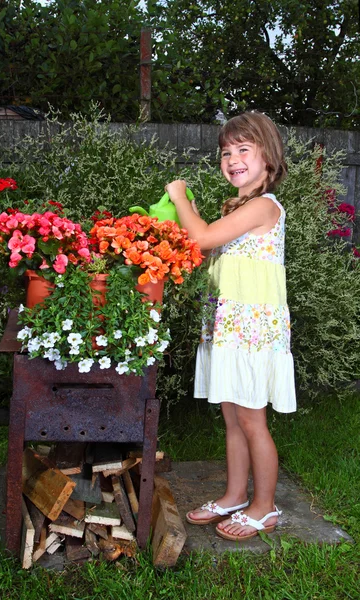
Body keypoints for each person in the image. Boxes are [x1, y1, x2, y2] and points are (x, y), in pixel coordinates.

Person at [165, 111, 296, 541]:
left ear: (268, 158)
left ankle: (265, 507)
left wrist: (180, 197)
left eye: (244, 149)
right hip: (231, 328)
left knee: (253, 420)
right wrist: (195, 217)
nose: (233, 158)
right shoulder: (240, 206)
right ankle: (236, 494)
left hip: (252, 332)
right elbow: (206, 243)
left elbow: (201, 238)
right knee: (233, 418)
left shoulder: (263, 205)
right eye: (227, 152)